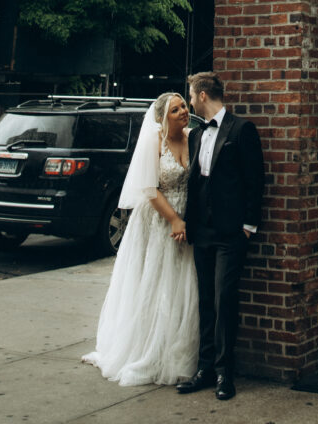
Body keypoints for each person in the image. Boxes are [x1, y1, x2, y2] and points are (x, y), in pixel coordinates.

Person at [82, 92, 199, 386]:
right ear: (163, 118)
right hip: (159, 221)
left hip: (188, 221)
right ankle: (148, 351)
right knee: (157, 283)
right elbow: (148, 188)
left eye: (184, 105)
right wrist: (174, 219)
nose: (184, 111)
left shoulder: (192, 137)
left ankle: (178, 351)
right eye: (176, 110)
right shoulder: (153, 141)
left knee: (182, 286)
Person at [177, 71, 264, 401]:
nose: (188, 100)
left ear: (201, 95)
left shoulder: (242, 130)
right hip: (203, 231)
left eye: (190, 94)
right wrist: (189, 224)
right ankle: (205, 368)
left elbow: (255, 180)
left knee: (224, 299)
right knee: (205, 300)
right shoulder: (197, 135)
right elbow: (196, 183)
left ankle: (225, 373)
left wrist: (248, 226)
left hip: (231, 233)